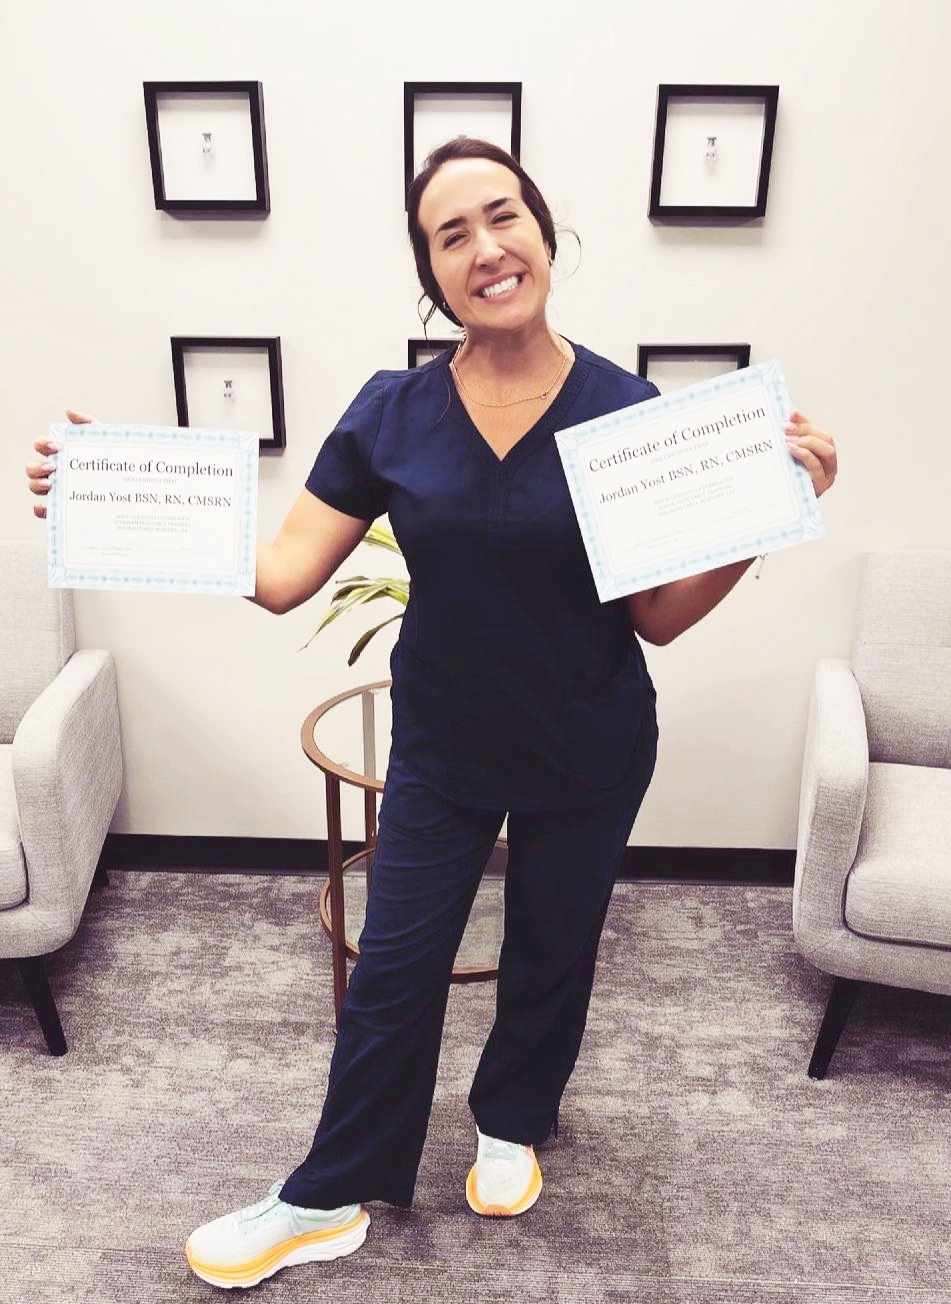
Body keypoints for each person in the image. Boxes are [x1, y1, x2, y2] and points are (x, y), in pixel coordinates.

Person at [25, 137, 837, 1292]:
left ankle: (511, 1117)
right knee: (395, 967)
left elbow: (658, 616)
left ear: (546, 234)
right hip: (444, 743)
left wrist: (771, 506)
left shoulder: (630, 414)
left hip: (590, 737)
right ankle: (324, 1193)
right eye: (451, 235)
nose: (486, 248)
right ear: (431, 273)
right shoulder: (391, 413)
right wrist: (114, 491)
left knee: (555, 948)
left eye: (503, 217)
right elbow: (281, 572)